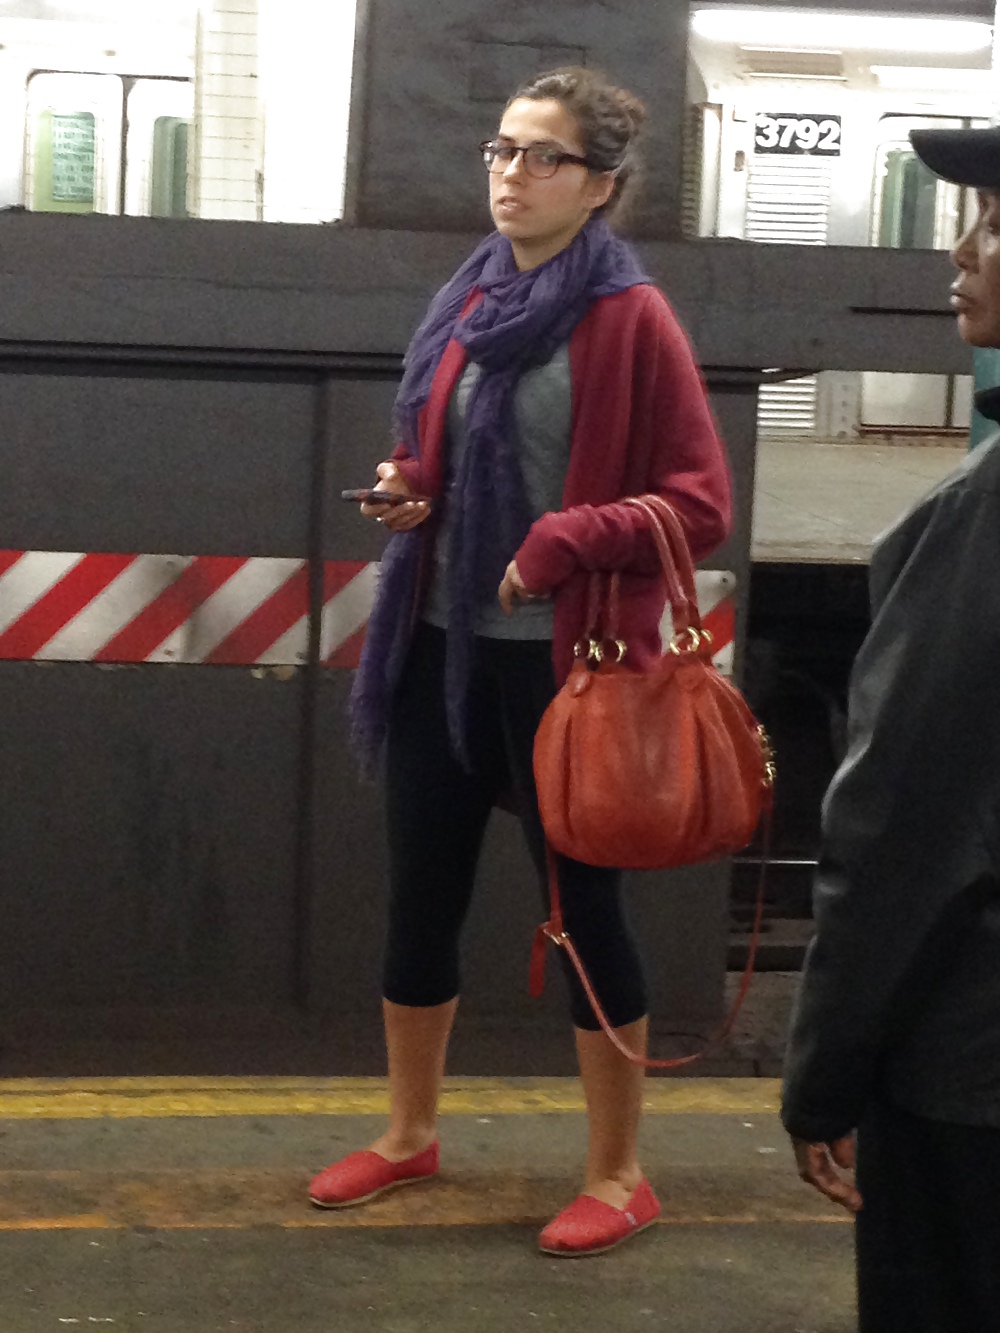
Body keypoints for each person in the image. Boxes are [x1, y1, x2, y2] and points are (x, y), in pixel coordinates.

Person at [311, 66, 731, 1257]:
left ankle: (619, 1171)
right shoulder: (471, 296)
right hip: (439, 645)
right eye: (500, 151)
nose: (509, 175)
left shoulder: (628, 317)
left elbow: (697, 504)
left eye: (540, 158)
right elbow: (439, 450)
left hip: (567, 666)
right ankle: (407, 1133)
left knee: (584, 908)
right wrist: (413, 490)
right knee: (419, 901)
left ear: (599, 187)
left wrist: (560, 540)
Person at [781, 125, 1000, 1331]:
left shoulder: (974, 525)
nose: (959, 251)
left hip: (971, 1090)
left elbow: (902, 840)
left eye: (996, 223)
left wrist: (822, 1076)